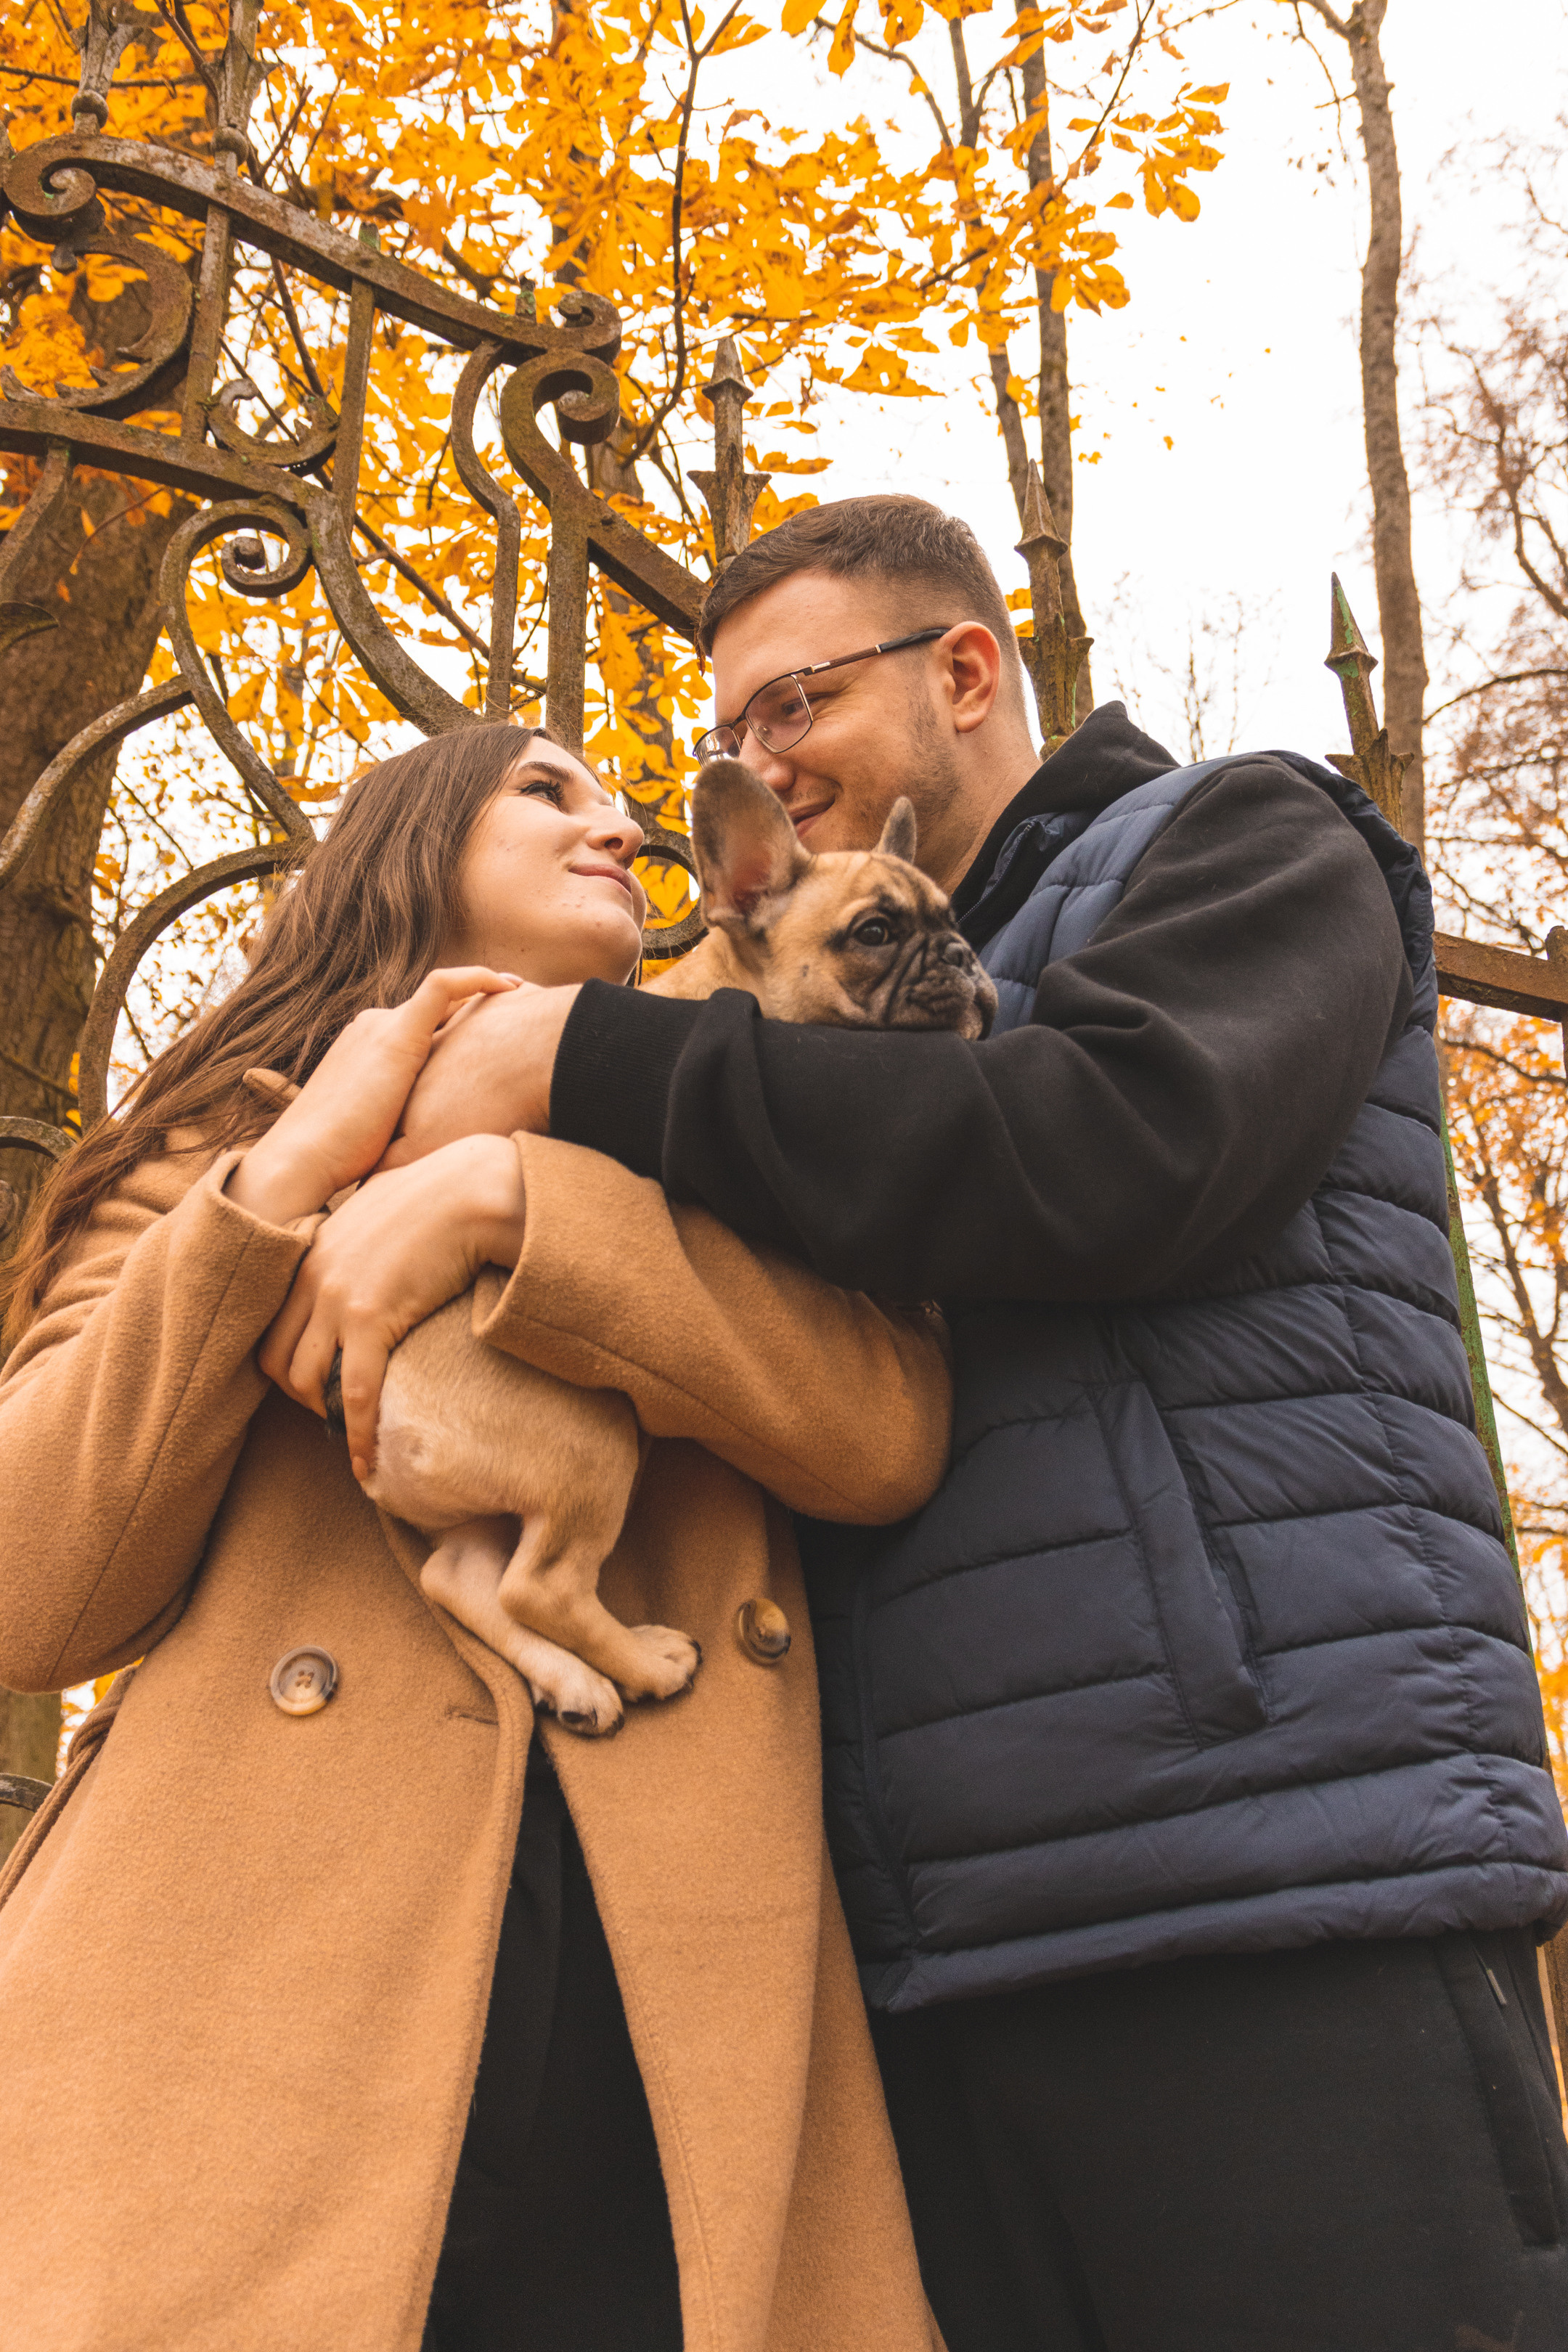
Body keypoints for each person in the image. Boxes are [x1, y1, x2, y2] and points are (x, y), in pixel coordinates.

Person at [389, 498, 1568, 2352]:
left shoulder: (1240, 838)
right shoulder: (795, 995)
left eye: (797, 700)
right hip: (912, 1964)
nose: (760, 758)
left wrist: (582, 1063)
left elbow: (1110, 1153)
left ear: (964, 668)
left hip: (1263, 1893)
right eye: (737, 729)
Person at [0, 723, 952, 2352]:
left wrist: (520, 1198)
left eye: (620, 800)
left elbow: (886, 1432)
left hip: (677, 1997)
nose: (619, 821)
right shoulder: (215, 1143)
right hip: (251, 1994)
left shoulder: (749, 1112)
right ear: (410, 848)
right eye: (547, 790)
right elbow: (32, 1582)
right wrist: (297, 1166)